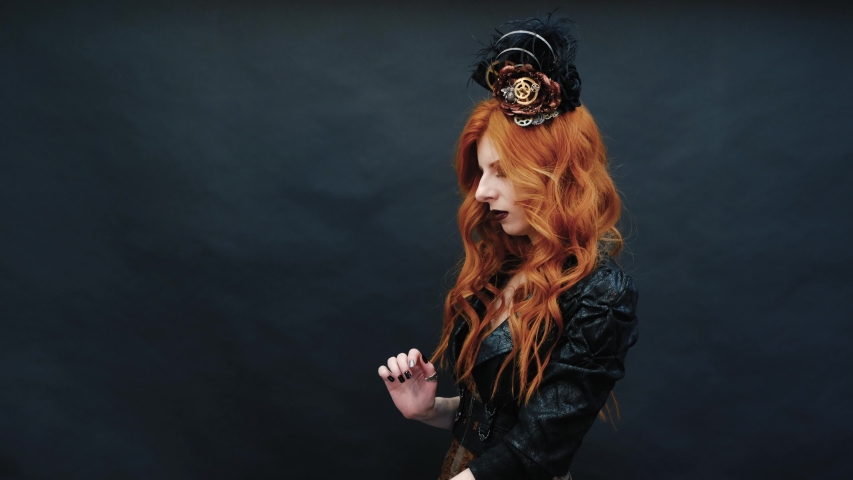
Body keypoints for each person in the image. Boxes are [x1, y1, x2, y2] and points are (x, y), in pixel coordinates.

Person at [377, 15, 639, 480]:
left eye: (501, 172)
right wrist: (429, 408)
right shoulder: (503, 266)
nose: (480, 193)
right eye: (480, 173)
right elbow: (495, 415)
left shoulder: (600, 294)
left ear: (554, 172)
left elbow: (541, 446)